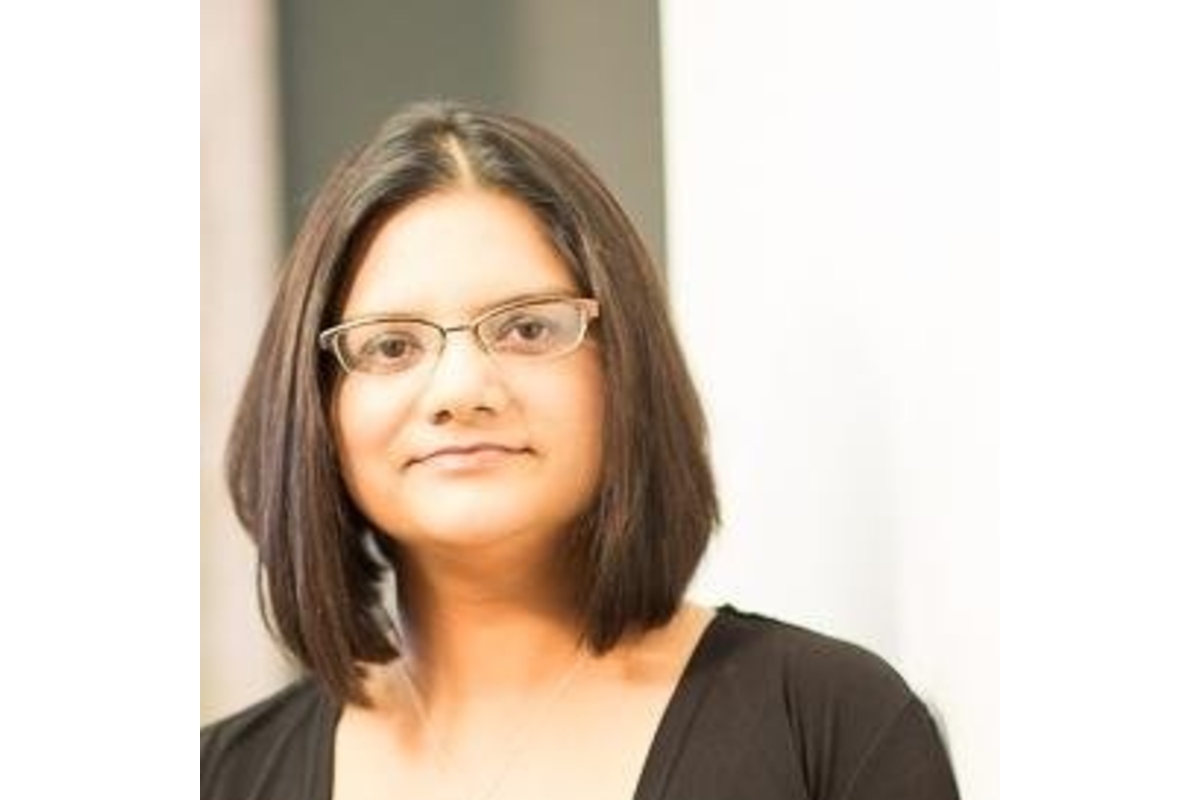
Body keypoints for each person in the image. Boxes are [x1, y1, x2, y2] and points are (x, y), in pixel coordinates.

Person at [200, 100, 960, 800]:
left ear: (623, 363)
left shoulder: (829, 725)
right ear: (315, 403)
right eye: (392, 345)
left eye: (528, 328)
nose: (460, 390)